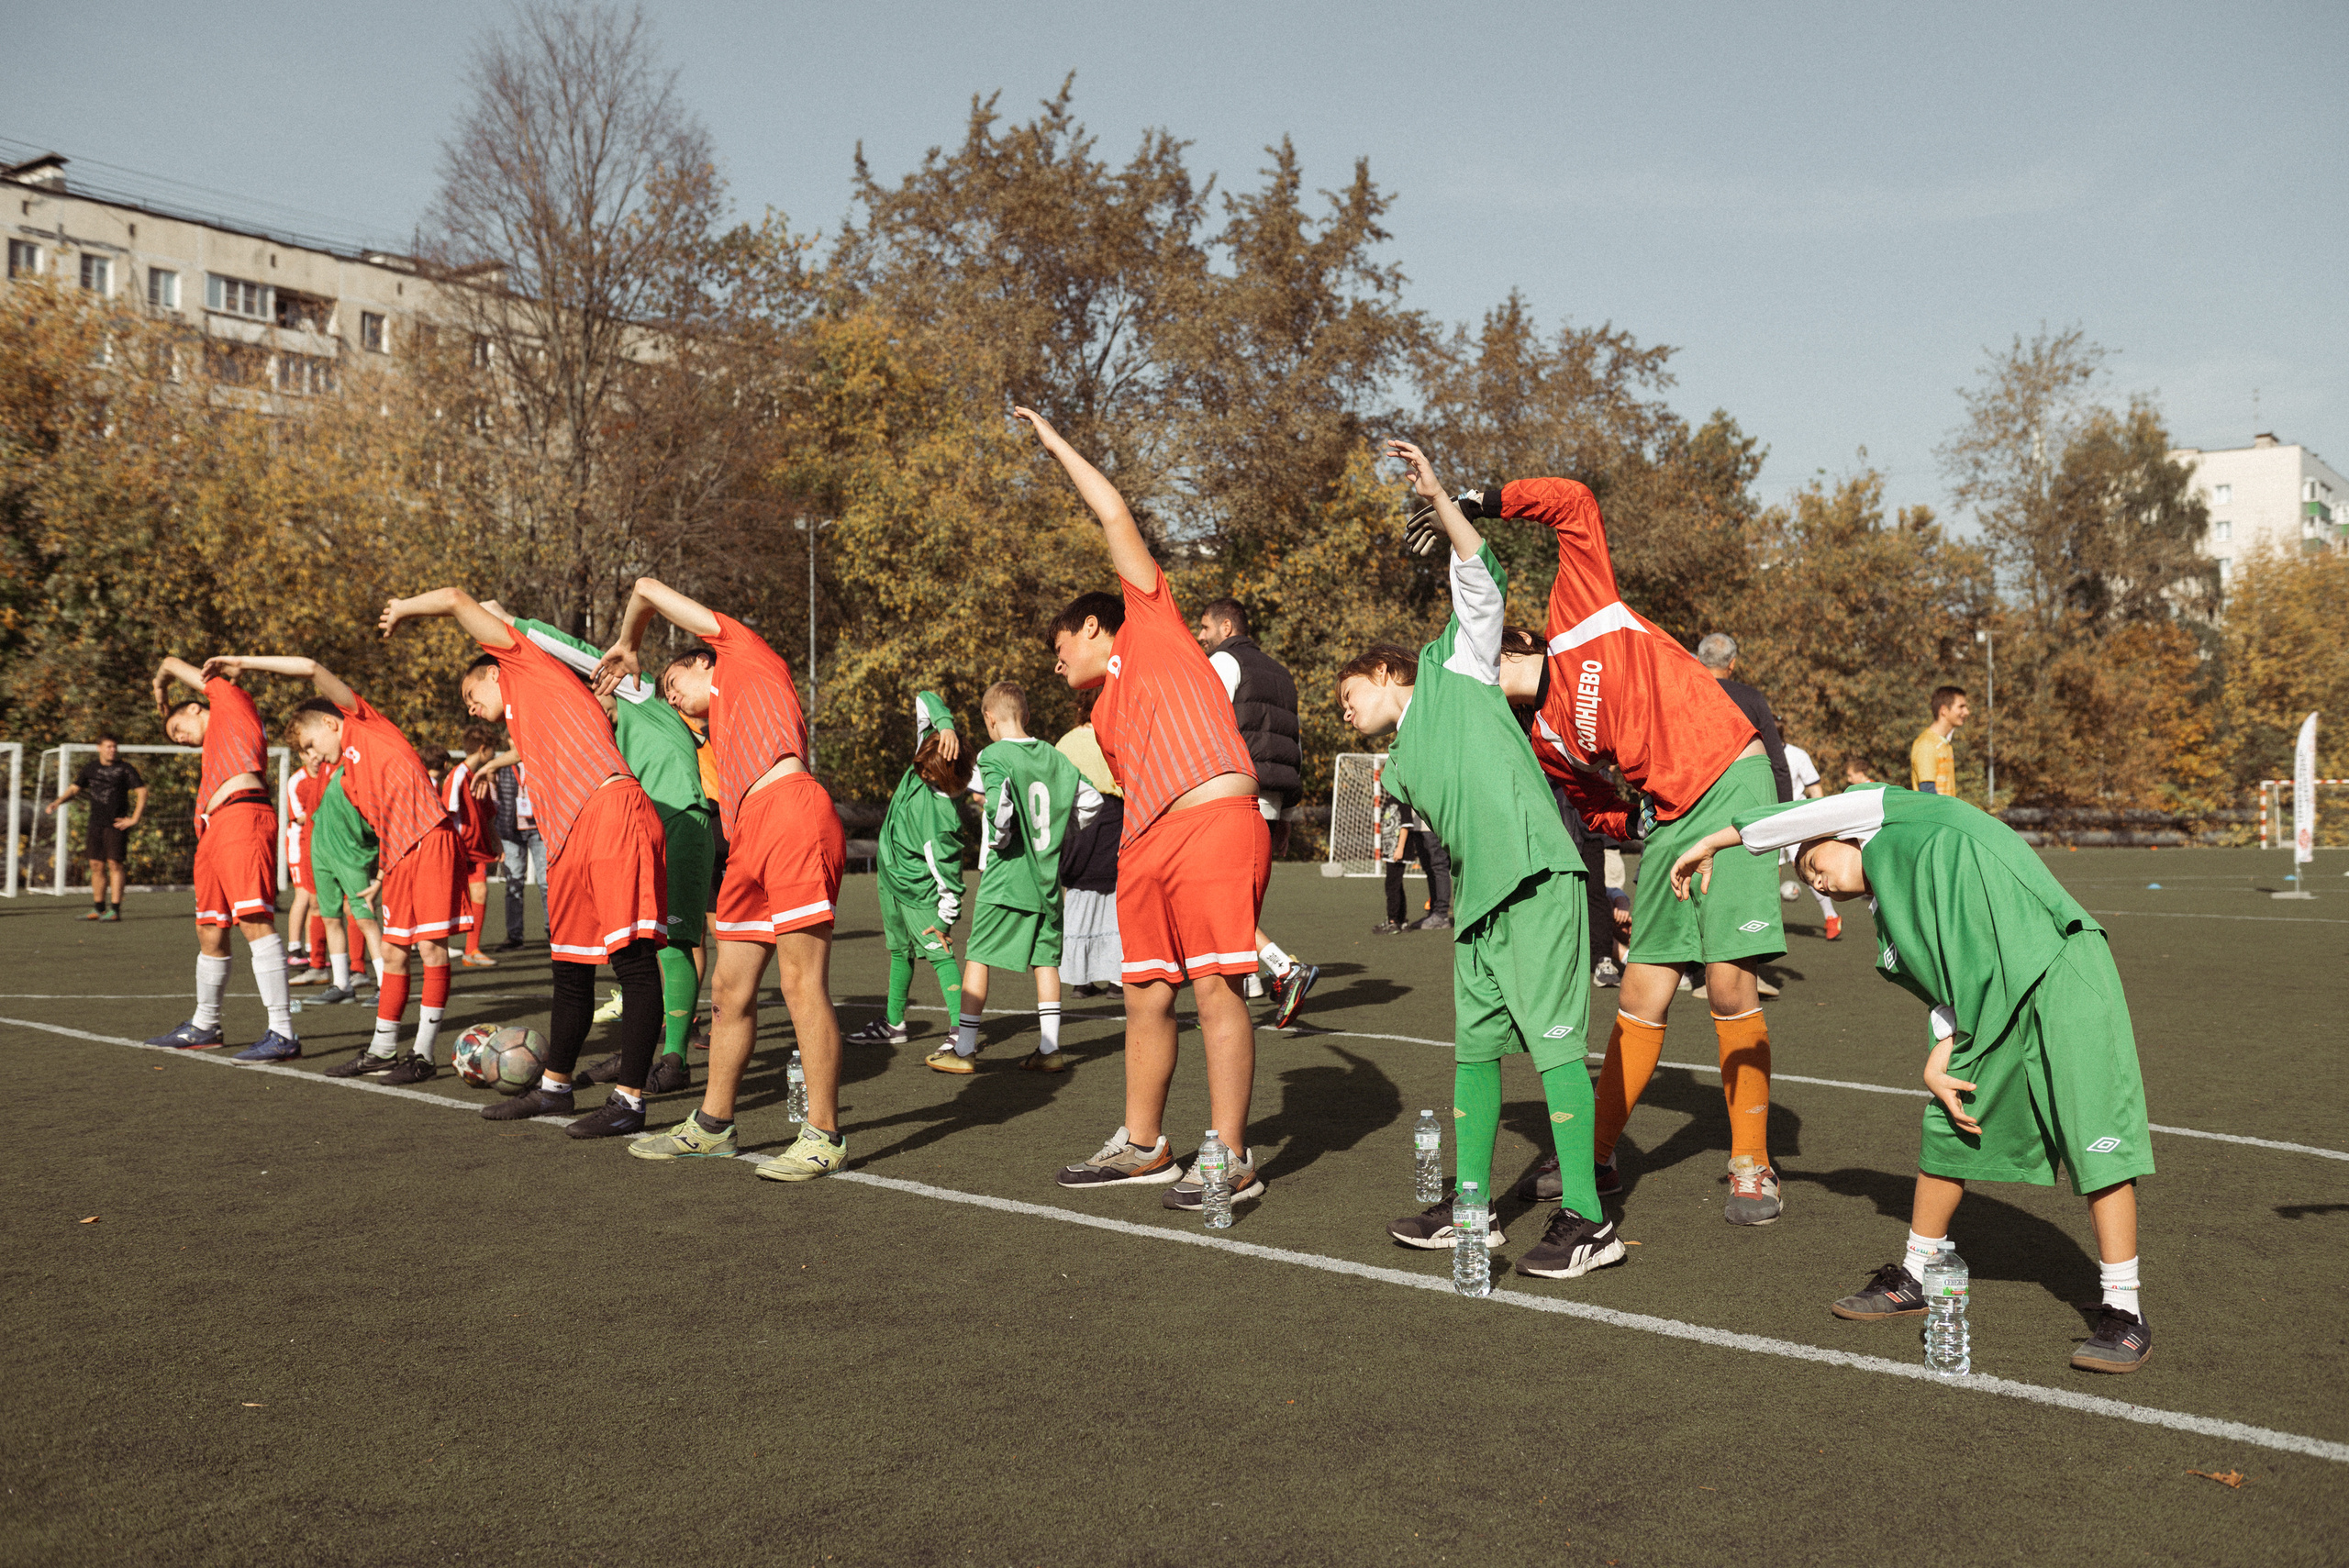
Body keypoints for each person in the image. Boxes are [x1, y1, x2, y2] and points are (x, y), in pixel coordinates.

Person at [1669, 783, 2154, 1373]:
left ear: (1843, 835)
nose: (1817, 882)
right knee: (1949, 1121)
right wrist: (1938, 1055)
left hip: (2061, 972)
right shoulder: (1890, 921)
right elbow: (1948, 986)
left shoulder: (1894, 815)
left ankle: (2123, 1309)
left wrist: (1711, 843)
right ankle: (1919, 1274)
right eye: (1810, 878)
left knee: (2094, 1135)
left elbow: (1803, 814)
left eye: (1815, 862)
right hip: (1988, 1004)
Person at [1432, 475, 1787, 1224]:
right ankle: (1594, 1152)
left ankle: (1751, 1163)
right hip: (1671, 816)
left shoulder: (1581, 615)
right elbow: (1595, 809)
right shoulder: (1547, 738)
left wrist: (1480, 500)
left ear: (1516, 640)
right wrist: (1640, 834)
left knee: (1727, 985)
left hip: (1732, 778)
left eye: (1486, 659)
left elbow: (1576, 502)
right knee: (1641, 992)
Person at [1345, 440, 1624, 1279]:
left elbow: (1480, 580)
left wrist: (1440, 498)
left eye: (1349, 689)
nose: (1343, 704)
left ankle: (1587, 1218)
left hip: (1538, 876)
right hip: (1483, 902)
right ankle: (1473, 1207)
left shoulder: (1451, 664)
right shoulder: (1399, 761)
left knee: (1554, 1053)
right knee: (1473, 1054)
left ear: (1390, 670)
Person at [1019, 405, 1268, 1212]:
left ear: (1096, 627)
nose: (1057, 664)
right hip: (1146, 842)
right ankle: (1144, 1143)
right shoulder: (1098, 716)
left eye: (1062, 647)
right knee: (1144, 993)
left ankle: (1229, 1153)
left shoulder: (1153, 622)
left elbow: (1113, 511)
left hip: (1212, 824)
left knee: (1216, 988)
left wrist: (1055, 444)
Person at [380, 588, 671, 1139]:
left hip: (610, 809)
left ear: (494, 668)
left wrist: (405, 608)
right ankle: (555, 1089)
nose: (467, 705)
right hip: (565, 839)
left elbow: (458, 598)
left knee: (632, 965)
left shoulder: (522, 661)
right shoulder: (524, 712)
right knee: (569, 969)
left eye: (470, 691)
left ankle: (630, 1099)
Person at [595, 575, 849, 1183]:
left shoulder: (741, 651)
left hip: (791, 810)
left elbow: (647, 587)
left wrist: (629, 642)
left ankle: (824, 1133)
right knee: (730, 992)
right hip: (749, 837)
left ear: (705, 660)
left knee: (799, 982)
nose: (672, 698)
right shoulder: (711, 730)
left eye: (673, 684)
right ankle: (713, 1126)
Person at [482, 605, 714, 1096]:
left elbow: (583, 653)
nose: (669, 687)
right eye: (668, 681)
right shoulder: (636, 721)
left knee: (670, 943)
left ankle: (671, 1057)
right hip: (649, 825)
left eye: (679, 677)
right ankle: (654, 1052)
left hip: (677, 820)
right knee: (653, 944)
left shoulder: (643, 694)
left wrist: (511, 623)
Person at [209, 657, 467, 1081]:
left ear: (330, 723)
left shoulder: (364, 723)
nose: (310, 754)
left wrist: (242, 663)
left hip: (432, 843)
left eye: (309, 743)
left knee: (431, 950)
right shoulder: (346, 779)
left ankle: (422, 1055)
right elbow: (384, 826)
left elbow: (311, 667)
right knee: (392, 952)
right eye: (303, 752)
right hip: (400, 859)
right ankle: (383, 1049)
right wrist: (382, 875)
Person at [931, 681, 1098, 1076]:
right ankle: (1050, 1048)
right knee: (1046, 961)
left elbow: (1001, 810)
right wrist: (1060, 832)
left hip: (1006, 876)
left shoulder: (994, 755)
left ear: (990, 720)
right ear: (1026, 715)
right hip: (1047, 878)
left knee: (978, 955)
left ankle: (966, 1048)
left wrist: (1003, 836)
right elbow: (1091, 803)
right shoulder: (1055, 756)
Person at [143, 660, 299, 1061]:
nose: (178, 739)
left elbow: (171, 662)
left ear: (196, 707)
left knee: (253, 921)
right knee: (210, 931)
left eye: (177, 728)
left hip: (242, 817)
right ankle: (205, 1024)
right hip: (215, 830)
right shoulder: (214, 744)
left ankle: (282, 1031)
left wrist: (161, 684)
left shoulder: (230, 703)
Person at [1197, 599, 1319, 1026]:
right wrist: (1285, 814)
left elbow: (1201, 728)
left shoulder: (1224, 662)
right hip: (1267, 805)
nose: (1200, 635)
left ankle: (1284, 968)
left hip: (1230, 800)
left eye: (1205, 627)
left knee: (1215, 903)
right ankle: (1247, 985)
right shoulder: (1282, 674)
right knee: (1239, 903)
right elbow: (1292, 747)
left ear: (1226, 626)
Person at [845, 691, 969, 1051]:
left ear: (944, 774)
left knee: (939, 953)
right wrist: (945, 725)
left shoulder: (941, 819)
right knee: (900, 952)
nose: (918, 773)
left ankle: (963, 1032)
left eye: (927, 772)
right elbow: (924, 699)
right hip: (891, 882)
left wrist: (945, 921)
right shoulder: (925, 763)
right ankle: (894, 1023)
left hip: (918, 895)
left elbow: (950, 882)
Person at [306, 748, 385, 1006]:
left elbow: (379, 819)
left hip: (352, 853)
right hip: (322, 850)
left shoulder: (359, 768)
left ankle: (387, 985)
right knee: (330, 917)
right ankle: (342, 984)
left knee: (364, 919)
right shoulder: (329, 767)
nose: (314, 753)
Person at [1054, 704, 1123, 998]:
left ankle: (1080, 979)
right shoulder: (1117, 736)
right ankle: (1118, 980)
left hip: (1076, 819)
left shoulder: (1066, 742)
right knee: (1116, 898)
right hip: (1113, 816)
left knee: (1078, 895)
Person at [50, 735, 146, 921]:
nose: (113, 750)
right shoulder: (91, 768)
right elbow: (75, 789)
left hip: (116, 824)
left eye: (115, 747)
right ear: (99, 748)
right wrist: (58, 802)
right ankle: (99, 908)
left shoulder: (125, 769)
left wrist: (134, 819)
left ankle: (115, 910)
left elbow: (142, 792)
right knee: (95, 865)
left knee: (114, 864)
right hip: (95, 824)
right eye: (109, 746)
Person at [1694, 634, 1791, 805]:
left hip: (1693, 802)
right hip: (1742, 803)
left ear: (1698, 659)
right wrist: (1784, 812)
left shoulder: (1682, 696)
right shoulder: (1752, 699)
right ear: (1732, 663)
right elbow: (1777, 763)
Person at [446, 725, 504, 969]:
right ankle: (427, 941)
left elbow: (489, 815)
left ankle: (472, 950)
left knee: (480, 893)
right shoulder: (458, 775)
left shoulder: (481, 777)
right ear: (483, 749)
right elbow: (447, 813)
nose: (495, 755)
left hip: (476, 851)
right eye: (493, 750)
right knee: (445, 898)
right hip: (456, 850)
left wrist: (497, 842)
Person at [1778, 741, 1842, 940]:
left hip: (1796, 819)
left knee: (1806, 869)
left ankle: (1831, 916)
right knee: (1769, 872)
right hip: (1768, 820)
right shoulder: (1756, 754)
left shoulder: (1798, 755)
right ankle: (1768, 922)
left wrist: (1820, 820)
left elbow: (1814, 787)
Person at [1372, 795, 1453, 935]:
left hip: (1431, 823)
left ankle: (1441, 914)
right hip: (1418, 825)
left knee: (1439, 867)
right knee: (1430, 870)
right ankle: (1434, 912)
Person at [1911, 685, 1970, 797]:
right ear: (1944, 710)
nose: (1966, 712)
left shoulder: (1945, 744)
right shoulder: (1926, 744)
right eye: (1961, 707)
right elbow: (1928, 793)